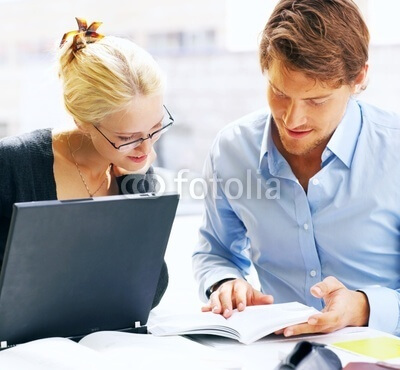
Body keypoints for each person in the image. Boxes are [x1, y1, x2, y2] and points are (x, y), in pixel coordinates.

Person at [193, 0, 400, 337]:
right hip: (277, 355)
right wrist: (226, 282)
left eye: (316, 100)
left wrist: (363, 307)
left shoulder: (394, 150)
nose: (292, 119)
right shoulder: (232, 150)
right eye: (279, 92)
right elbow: (215, 250)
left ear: (359, 77)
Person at [0, 18, 174, 308]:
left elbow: (150, 290)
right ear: (83, 121)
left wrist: (133, 190)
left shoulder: (132, 167)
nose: (146, 148)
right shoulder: (13, 166)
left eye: (155, 128)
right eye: (128, 136)